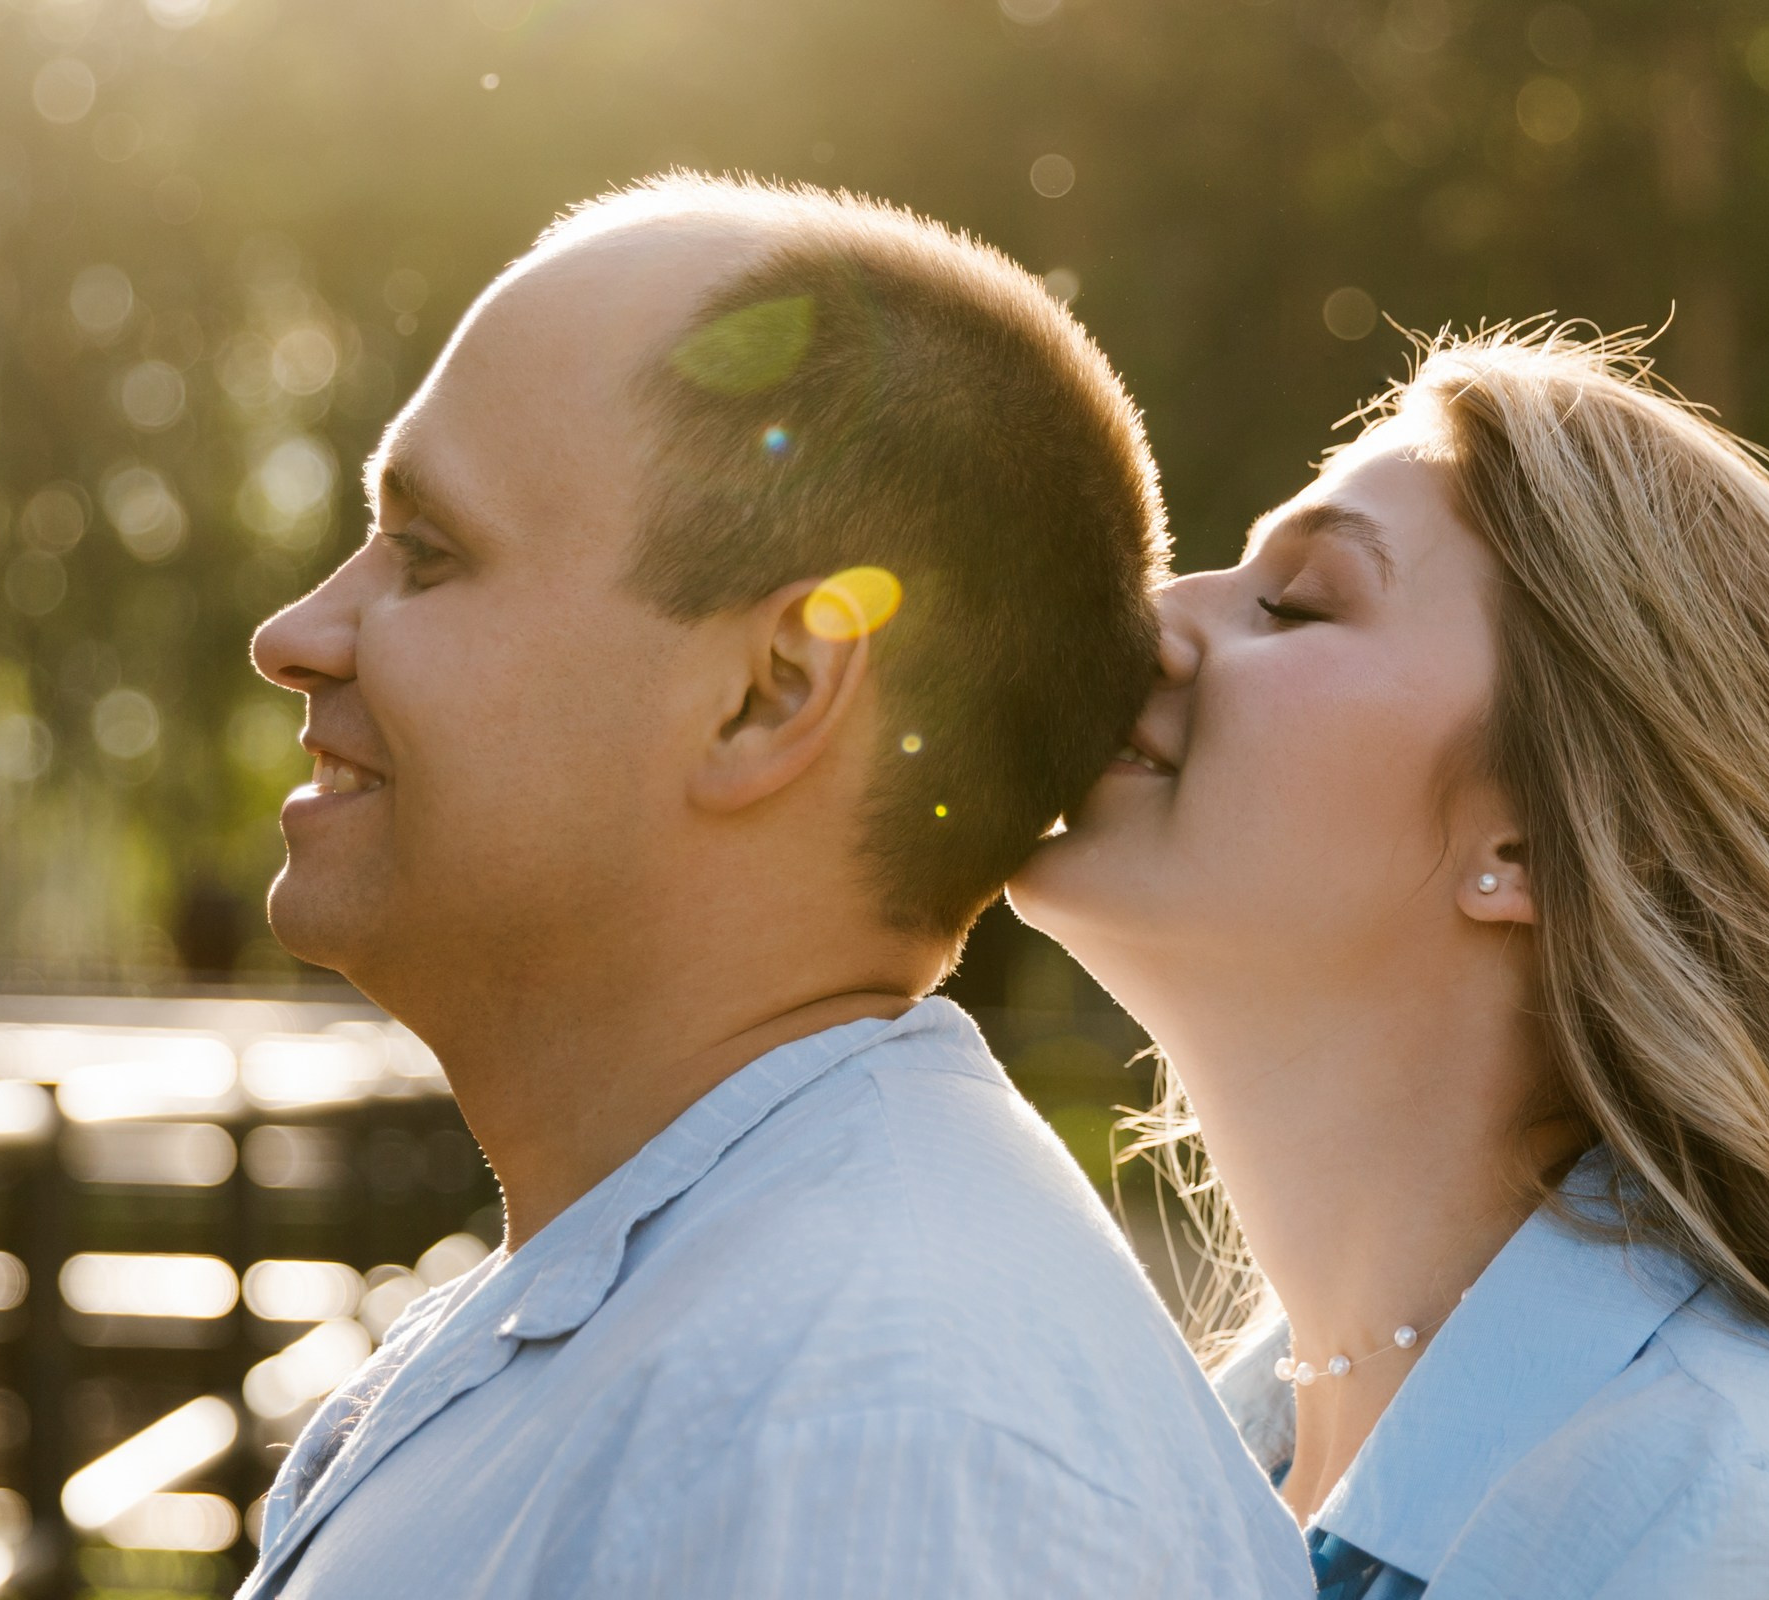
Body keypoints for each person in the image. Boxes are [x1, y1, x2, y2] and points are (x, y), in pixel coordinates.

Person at [239, 175, 1310, 1599]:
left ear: (770, 694)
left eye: (429, 556)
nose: (296, 635)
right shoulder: (761, 1340)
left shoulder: (883, 1441)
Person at [1012, 326, 1769, 1597]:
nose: (1154, 620)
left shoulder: (1724, 1525)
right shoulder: (1226, 1465)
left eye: (1296, 601)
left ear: (1539, 838)